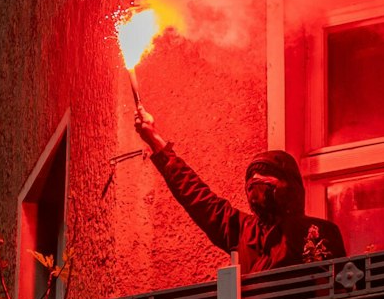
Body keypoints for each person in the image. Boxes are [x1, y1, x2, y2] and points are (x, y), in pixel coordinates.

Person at [133, 109, 347, 270]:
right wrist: (155, 141)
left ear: (289, 186)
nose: (255, 179)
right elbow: (196, 196)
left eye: (264, 173)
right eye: (251, 177)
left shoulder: (318, 232)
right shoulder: (241, 231)